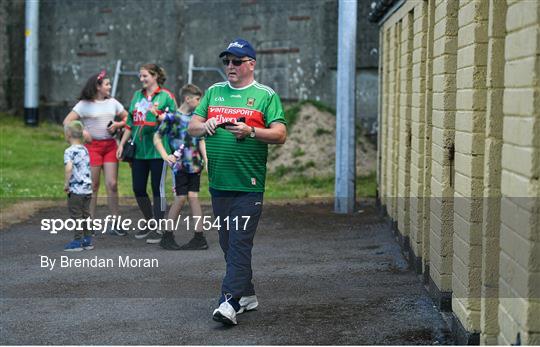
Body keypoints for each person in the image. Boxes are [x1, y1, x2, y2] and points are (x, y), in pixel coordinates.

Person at [188, 38, 287, 325]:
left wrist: (251, 130)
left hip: (248, 184)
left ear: (251, 64)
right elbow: (192, 126)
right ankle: (248, 295)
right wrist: (203, 126)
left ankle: (229, 302)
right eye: (226, 61)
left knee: (240, 242)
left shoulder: (265, 95)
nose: (229, 66)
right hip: (219, 183)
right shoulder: (214, 92)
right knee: (228, 242)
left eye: (236, 61)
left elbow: (280, 134)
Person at [117, 63, 177, 242]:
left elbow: (175, 120)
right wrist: (121, 144)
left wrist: (158, 117)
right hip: (139, 152)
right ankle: (151, 223)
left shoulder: (166, 96)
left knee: (157, 190)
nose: (141, 79)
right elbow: (130, 121)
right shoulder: (137, 95)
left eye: (145, 76)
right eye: (140, 76)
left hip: (158, 151)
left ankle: (160, 228)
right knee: (138, 188)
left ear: (155, 76)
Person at [63, 71, 128, 235]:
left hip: (110, 146)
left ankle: (116, 223)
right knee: (93, 185)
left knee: (112, 185)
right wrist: (83, 130)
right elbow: (67, 121)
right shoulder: (84, 104)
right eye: (107, 84)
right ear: (98, 86)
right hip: (92, 148)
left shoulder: (113, 103)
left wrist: (118, 125)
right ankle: (89, 223)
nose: (109, 87)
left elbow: (128, 118)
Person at [153, 84, 209, 249]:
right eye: (198, 99)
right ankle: (167, 236)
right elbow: (157, 137)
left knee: (193, 197)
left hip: (195, 166)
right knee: (180, 198)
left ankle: (199, 238)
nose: (200, 103)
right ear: (188, 98)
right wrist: (166, 156)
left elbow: (201, 140)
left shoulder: (195, 120)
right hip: (180, 167)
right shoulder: (172, 118)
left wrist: (206, 159)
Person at [63, 120, 94, 251]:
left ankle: (77, 241)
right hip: (87, 189)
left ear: (68, 134)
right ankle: (88, 240)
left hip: (76, 190)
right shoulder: (85, 150)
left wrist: (66, 183)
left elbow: (69, 168)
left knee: (76, 215)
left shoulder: (69, 151)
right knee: (86, 214)